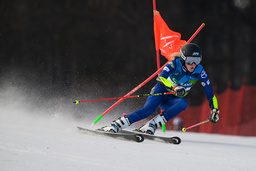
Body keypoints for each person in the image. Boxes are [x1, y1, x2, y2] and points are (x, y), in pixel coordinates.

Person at [100, 43, 219, 135]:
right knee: (148, 111)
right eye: (190, 61)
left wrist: (215, 110)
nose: (193, 65)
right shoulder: (174, 64)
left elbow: (210, 94)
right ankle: (117, 124)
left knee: (183, 103)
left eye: (197, 61)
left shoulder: (199, 71)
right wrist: (175, 86)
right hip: (160, 93)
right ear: (183, 59)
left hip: (172, 100)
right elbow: (160, 79)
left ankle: (152, 124)